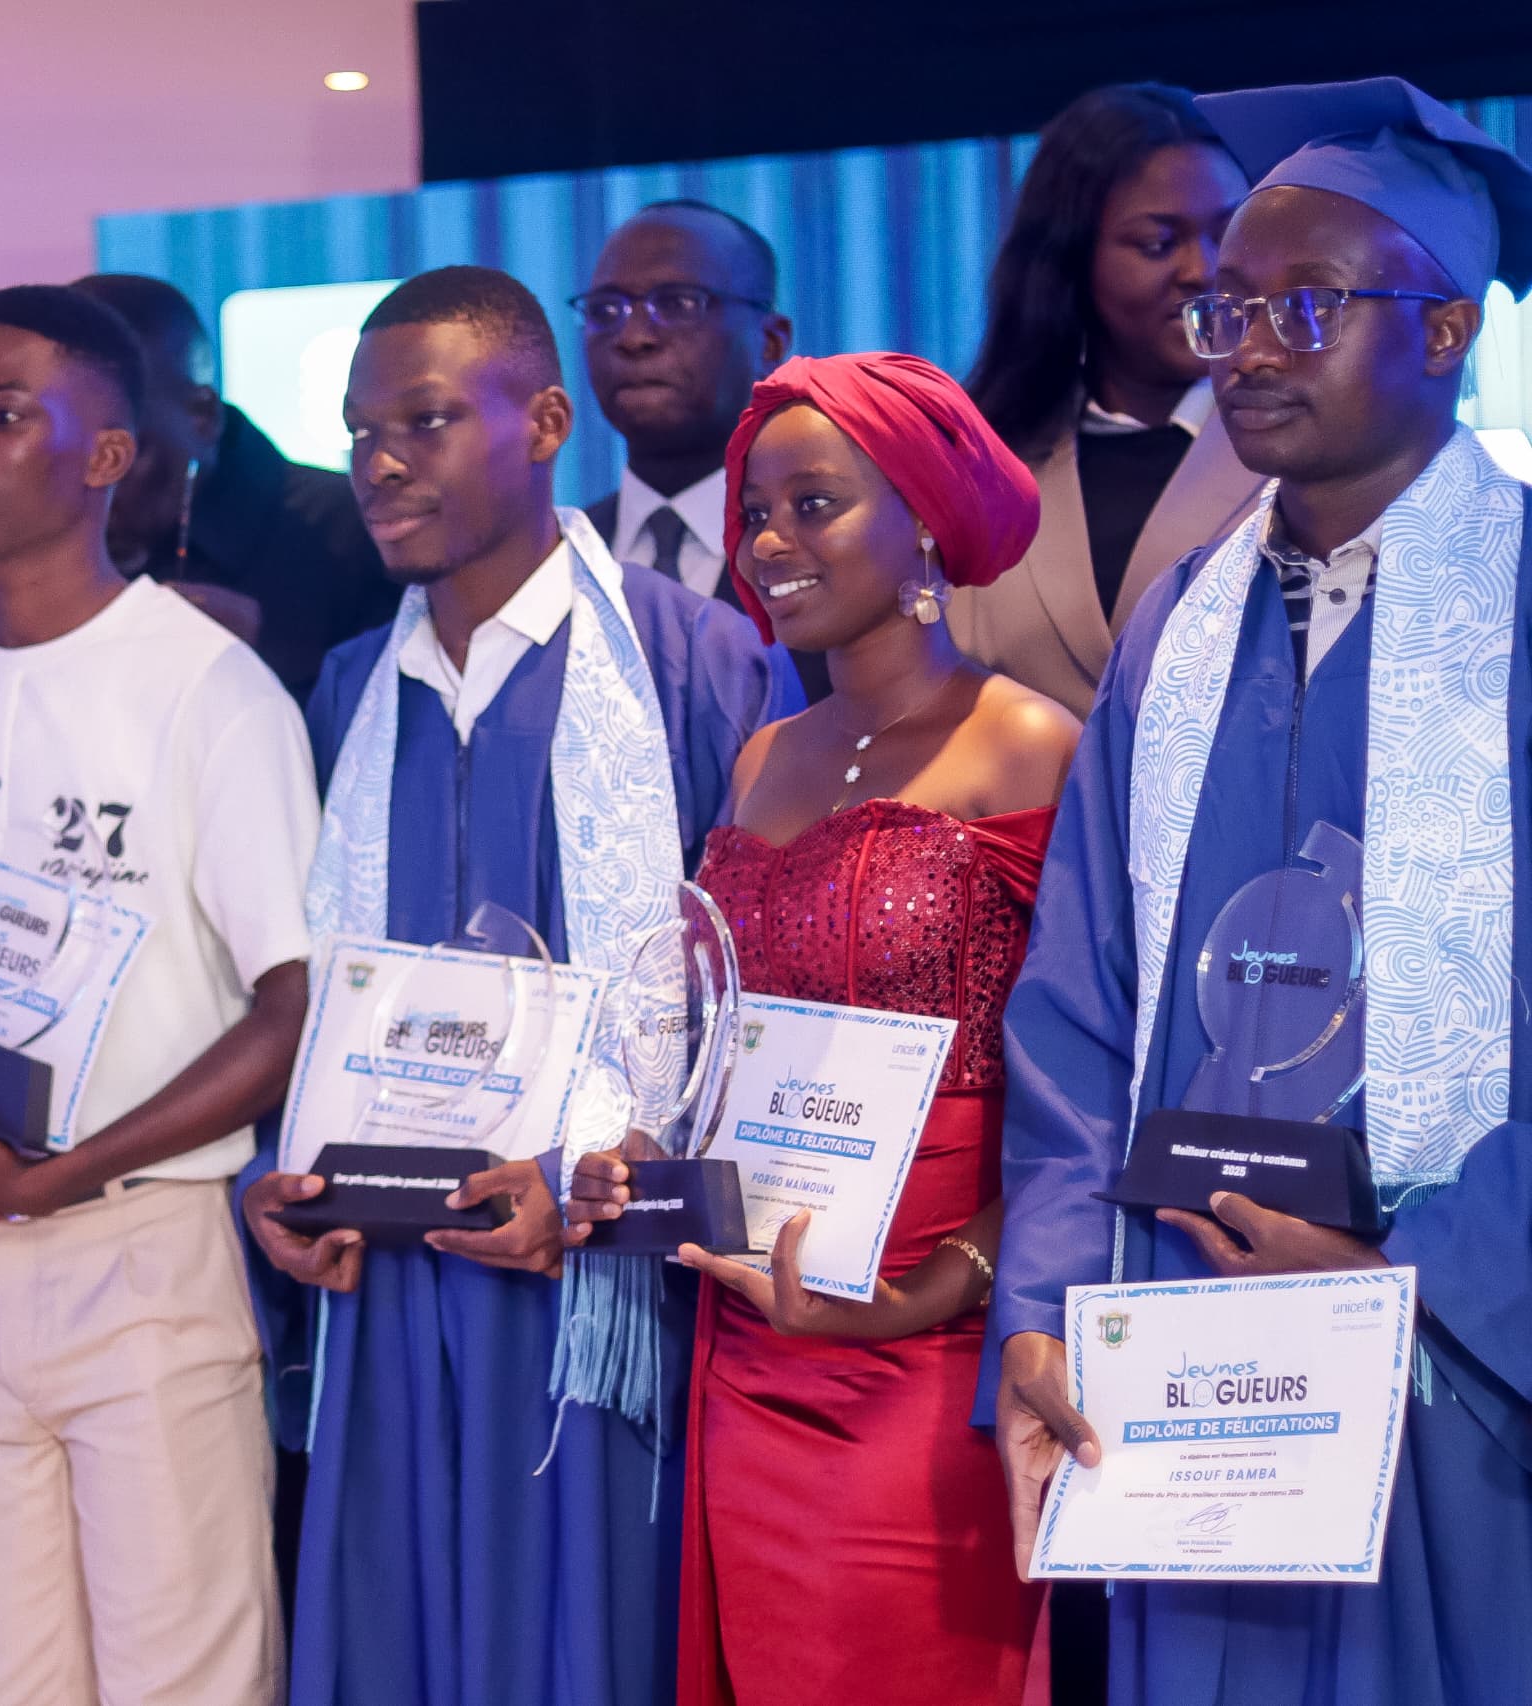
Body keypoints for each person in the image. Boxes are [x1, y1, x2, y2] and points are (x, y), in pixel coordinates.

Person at [989, 76, 1532, 1706]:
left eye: (1309, 305)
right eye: (1226, 308)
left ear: (1446, 333)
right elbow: (1077, 1006)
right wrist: (1042, 1306)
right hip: (1191, 1351)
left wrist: (1429, 1278)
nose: (1247, 348)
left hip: (1457, 1358)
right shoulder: (1178, 628)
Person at [242, 265, 779, 1706]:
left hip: (592, 1300)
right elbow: (318, 991)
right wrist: (277, 1180)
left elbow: (752, 998)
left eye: (422, 421)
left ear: (544, 421)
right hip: (387, 1285)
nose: (379, 464)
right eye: (360, 433)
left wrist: (615, 1181)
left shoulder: (694, 661)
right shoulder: (352, 688)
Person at [0, 284, 315, 1704]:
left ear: (106, 456)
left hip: (140, 1252)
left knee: (183, 1679)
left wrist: (65, 1173)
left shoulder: (210, 689)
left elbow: (292, 1007)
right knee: (3, 1678)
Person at [567, 351, 1076, 1704]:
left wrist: (938, 1287)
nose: (770, 544)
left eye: (814, 504)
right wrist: (641, 1155)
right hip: (751, 1328)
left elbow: (1083, 1083)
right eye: (755, 514)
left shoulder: (1030, 743)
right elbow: (725, 1039)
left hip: (935, 1343)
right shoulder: (762, 756)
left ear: (924, 516)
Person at [952, 86, 1261, 721]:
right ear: (1070, 261)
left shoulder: (1303, 449)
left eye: (1230, 234)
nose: (1202, 270)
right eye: (1157, 243)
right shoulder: (979, 461)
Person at [69, 272, 398, 700]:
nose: (94, 479)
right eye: (67, 452)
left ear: (202, 415)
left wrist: (258, 662)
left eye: (125, 451)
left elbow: (408, 721)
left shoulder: (358, 530)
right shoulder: (50, 547)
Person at [576, 200, 826, 707]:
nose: (633, 337)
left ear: (771, 342)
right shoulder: (558, 560)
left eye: (678, 303)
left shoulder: (834, 553)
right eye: (605, 311)